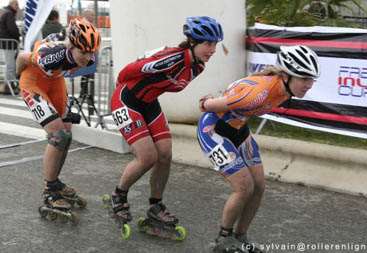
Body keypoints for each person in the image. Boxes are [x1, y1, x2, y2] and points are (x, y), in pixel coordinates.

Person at [197, 45, 320, 252]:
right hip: (214, 131)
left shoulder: (285, 89)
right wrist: (207, 101)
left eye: (311, 79)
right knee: (244, 187)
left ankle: (240, 236)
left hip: (238, 128)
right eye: (304, 78)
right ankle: (222, 239)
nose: (309, 84)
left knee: (259, 186)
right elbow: (206, 106)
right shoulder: (258, 93)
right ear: (287, 75)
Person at [109, 16, 223, 230]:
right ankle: (119, 195)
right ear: (192, 42)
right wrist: (121, 96)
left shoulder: (197, 67)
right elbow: (127, 72)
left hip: (149, 102)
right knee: (147, 157)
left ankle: (155, 205)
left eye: (215, 44)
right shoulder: (171, 58)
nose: (213, 49)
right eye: (208, 44)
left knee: (165, 153)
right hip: (127, 99)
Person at [16, 17, 100, 215]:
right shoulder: (49, 55)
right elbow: (21, 56)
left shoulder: (86, 52)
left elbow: (82, 58)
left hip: (55, 81)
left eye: (91, 52)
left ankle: (56, 183)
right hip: (33, 81)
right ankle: (50, 190)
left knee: (67, 134)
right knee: (58, 136)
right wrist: (17, 77)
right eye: (83, 52)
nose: (88, 57)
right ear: (71, 45)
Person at [0, 0, 20, 91]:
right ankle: (8, 87)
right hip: (9, 44)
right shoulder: (9, 14)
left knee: (9, 65)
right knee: (10, 66)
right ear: (11, 4)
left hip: (6, 43)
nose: (17, 6)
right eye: (16, 4)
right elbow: (12, 29)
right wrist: (18, 36)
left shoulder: (4, 12)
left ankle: (8, 86)